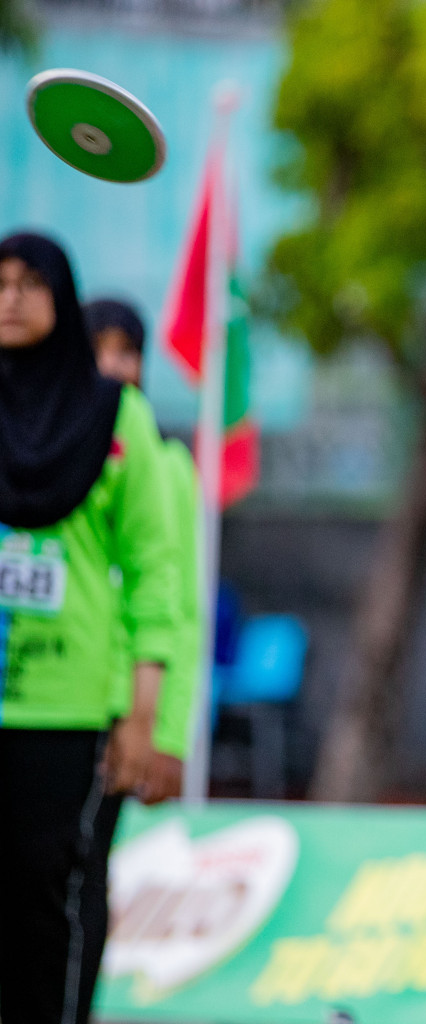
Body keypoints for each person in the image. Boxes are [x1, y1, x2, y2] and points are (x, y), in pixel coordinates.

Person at [0, 233, 179, 1023]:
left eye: (29, 283)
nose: (9, 298)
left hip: (66, 709)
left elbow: (156, 573)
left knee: (52, 902)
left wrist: (144, 717)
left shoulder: (115, 416)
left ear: (60, 297)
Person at [82, 296, 202, 1011]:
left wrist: (162, 728)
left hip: (120, 708)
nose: (118, 365)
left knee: (83, 872)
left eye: (130, 351)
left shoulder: (165, 465)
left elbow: (176, 607)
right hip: (39, 694)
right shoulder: (32, 441)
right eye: (102, 348)